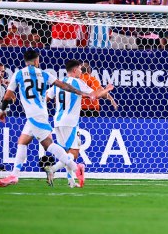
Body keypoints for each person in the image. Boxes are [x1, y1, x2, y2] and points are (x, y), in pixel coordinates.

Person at [0, 50, 94, 187]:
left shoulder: (18, 74)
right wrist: (80, 92)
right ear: (37, 61)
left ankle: (77, 168)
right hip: (38, 113)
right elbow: (64, 85)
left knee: (48, 145)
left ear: (25, 61)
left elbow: (7, 96)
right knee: (22, 141)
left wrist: (2, 110)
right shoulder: (45, 74)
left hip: (35, 115)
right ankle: (14, 175)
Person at [45, 60, 115, 188]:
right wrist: (107, 90)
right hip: (70, 122)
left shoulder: (58, 83)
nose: (80, 71)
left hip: (57, 121)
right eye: (79, 69)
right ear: (74, 70)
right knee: (74, 153)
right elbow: (94, 95)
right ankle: (52, 169)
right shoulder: (78, 82)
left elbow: (46, 98)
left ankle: (71, 182)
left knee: (66, 153)